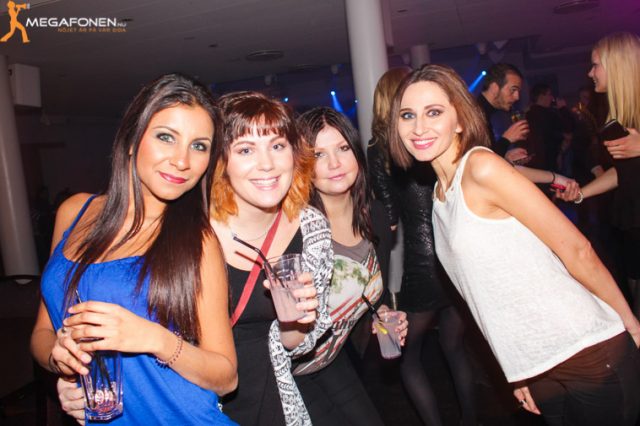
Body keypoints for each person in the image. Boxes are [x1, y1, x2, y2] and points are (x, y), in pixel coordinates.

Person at [389, 64, 640, 426]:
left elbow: (576, 249)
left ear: (459, 119)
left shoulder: (481, 167)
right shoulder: (441, 195)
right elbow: (482, 298)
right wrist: (518, 370)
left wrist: (631, 323)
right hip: (539, 366)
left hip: (588, 350)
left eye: (434, 112)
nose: (418, 127)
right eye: (407, 115)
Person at [31, 73, 238, 425]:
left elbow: (226, 377)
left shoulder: (196, 242)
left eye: (199, 146)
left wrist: (153, 338)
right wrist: (60, 361)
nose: (182, 161)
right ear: (131, 139)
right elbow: (43, 331)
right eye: (166, 137)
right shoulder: (73, 212)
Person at [211, 91, 333, 426]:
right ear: (221, 162)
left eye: (277, 145)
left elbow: (295, 346)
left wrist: (297, 320)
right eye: (245, 149)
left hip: (272, 404)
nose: (267, 164)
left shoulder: (312, 228)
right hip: (198, 407)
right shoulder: (193, 232)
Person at [368, 67, 478, 426]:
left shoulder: (381, 150)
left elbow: (390, 218)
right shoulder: (436, 140)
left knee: (407, 357)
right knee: (454, 346)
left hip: (424, 265)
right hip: (456, 258)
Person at [294, 106, 407, 425]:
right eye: (319, 154)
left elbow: (369, 292)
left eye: (343, 148)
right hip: (286, 373)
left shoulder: (377, 217)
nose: (335, 163)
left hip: (332, 361)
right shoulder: (296, 233)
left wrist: (382, 314)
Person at [560, 32, 640, 318]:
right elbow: (622, 172)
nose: (589, 73)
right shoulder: (622, 115)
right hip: (631, 225)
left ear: (616, 66)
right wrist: (582, 193)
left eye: (595, 65)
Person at [479, 63, 575, 188]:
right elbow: (481, 164)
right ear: (494, 88)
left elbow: (484, 154)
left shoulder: (484, 112)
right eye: (513, 90)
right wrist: (506, 139)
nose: (517, 97)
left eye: (518, 91)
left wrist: (506, 156)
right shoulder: (476, 113)